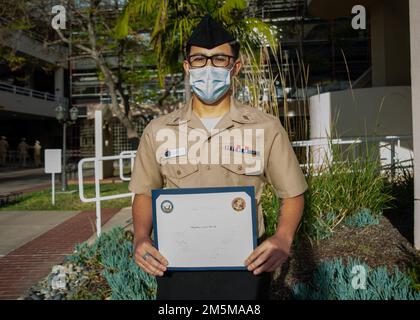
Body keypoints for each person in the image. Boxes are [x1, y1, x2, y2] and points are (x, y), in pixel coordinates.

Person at [129, 15, 308, 300]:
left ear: (235, 67)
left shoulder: (266, 127)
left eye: (219, 59)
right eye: (199, 59)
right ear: (187, 67)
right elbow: (144, 193)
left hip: (245, 266)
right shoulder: (158, 130)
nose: (209, 67)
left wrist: (283, 238)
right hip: (176, 266)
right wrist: (141, 237)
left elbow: (293, 192)